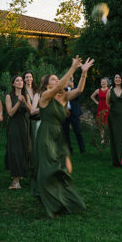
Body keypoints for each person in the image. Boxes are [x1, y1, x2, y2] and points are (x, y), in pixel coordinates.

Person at [35, 56, 93, 217]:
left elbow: (79, 90)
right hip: (46, 135)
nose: (58, 80)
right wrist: (73, 67)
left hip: (59, 136)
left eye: (57, 78)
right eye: (54, 79)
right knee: (49, 168)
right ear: (47, 85)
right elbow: (62, 85)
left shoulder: (63, 97)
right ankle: (51, 201)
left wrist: (83, 73)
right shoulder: (45, 96)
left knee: (62, 169)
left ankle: (63, 199)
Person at [4, 74, 32, 190]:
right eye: (17, 80)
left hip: (24, 124)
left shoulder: (26, 95)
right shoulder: (9, 96)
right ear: (13, 84)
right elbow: (10, 113)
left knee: (24, 149)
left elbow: (31, 111)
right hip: (14, 125)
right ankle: (15, 181)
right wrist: (18, 102)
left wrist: (25, 102)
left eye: (21, 80)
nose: (20, 82)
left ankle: (19, 175)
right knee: (15, 150)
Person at [62, 76, 86, 155]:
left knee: (77, 131)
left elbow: (78, 97)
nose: (69, 81)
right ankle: (69, 150)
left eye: (70, 80)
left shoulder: (76, 88)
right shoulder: (62, 89)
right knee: (65, 132)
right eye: (68, 80)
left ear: (73, 80)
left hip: (74, 113)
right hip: (65, 113)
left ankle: (82, 150)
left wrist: (72, 89)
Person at [90, 77, 111, 147]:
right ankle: (102, 138)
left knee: (107, 124)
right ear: (100, 83)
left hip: (107, 108)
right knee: (100, 124)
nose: (103, 83)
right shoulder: (98, 90)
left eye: (105, 82)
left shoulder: (109, 90)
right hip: (100, 108)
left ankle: (108, 138)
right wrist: (96, 102)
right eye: (102, 82)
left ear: (107, 83)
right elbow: (92, 96)